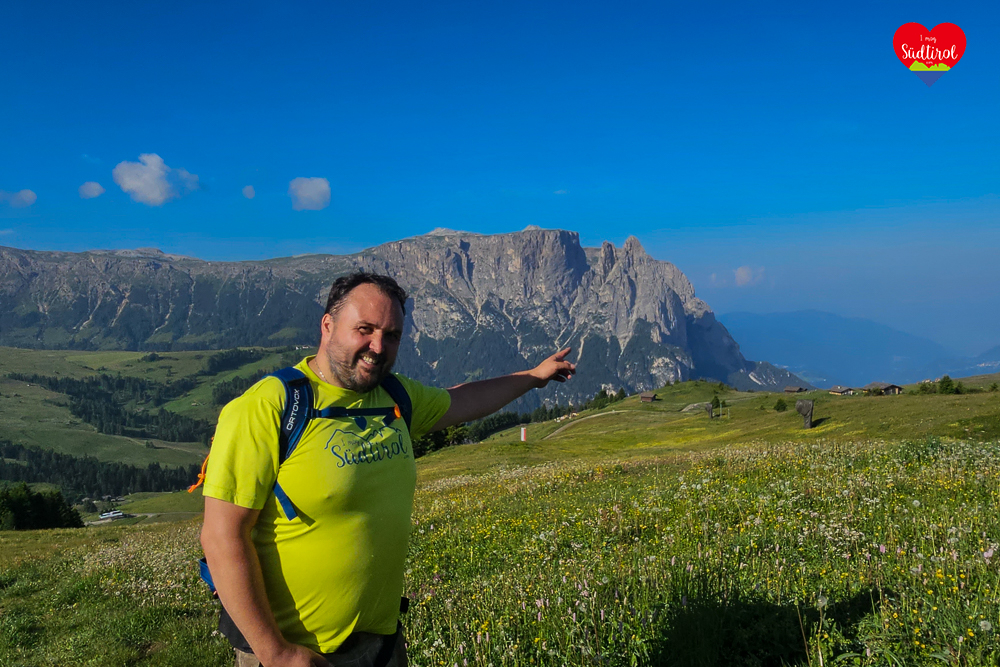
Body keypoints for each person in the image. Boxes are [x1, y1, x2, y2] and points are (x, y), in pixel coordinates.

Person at [200, 271, 576, 667]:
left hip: (381, 645)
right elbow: (222, 536)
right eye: (364, 329)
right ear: (328, 325)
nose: (377, 347)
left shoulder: (395, 397)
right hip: (295, 654)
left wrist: (533, 377)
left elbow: (464, 401)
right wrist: (276, 653)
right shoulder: (269, 407)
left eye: (391, 335)